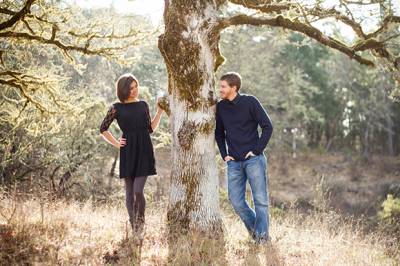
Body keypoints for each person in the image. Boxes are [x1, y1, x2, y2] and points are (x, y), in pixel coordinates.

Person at [99, 73, 163, 233]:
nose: (135, 90)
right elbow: (103, 129)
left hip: (144, 150)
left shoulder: (143, 105)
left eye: (136, 86)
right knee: (129, 192)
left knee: (137, 191)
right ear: (123, 89)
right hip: (128, 151)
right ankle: (134, 226)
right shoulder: (116, 108)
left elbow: (150, 129)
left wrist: (159, 112)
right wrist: (116, 143)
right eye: (131, 88)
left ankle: (140, 222)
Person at [215, 72, 273, 244]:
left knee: (260, 200)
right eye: (220, 86)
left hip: (254, 160)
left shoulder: (250, 102)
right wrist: (225, 155)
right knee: (236, 201)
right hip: (234, 163)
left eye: (223, 86)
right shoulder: (221, 107)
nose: (220, 89)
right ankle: (258, 233)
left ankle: (261, 239)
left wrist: (256, 150)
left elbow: (267, 127)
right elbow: (219, 133)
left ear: (234, 87)